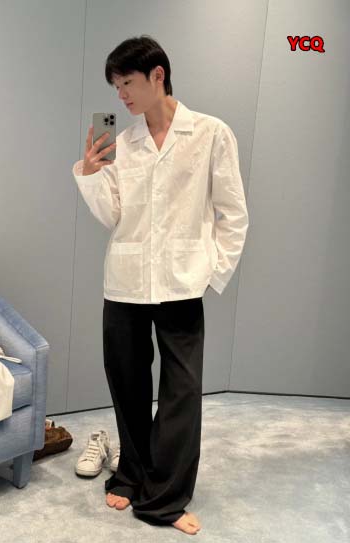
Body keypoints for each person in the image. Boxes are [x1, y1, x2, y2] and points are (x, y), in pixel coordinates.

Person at [72, 35, 249, 535]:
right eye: (115, 87)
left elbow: (233, 212)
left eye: (127, 83)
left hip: (181, 283)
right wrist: (92, 173)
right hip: (125, 283)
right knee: (127, 384)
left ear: (157, 76)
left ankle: (165, 499)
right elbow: (113, 216)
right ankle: (131, 475)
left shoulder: (210, 133)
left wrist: (211, 270)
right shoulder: (123, 143)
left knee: (181, 393)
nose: (121, 95)